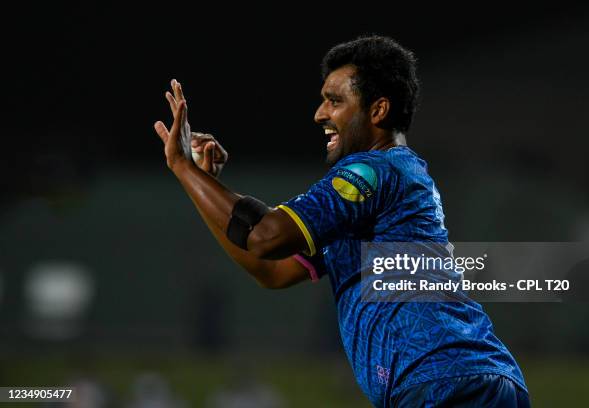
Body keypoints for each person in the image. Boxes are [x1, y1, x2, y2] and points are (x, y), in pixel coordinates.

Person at [153, 36, 530, 407]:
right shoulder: (384, 194)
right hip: (467, 378)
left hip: (441, 382)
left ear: (378, 110)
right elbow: (272, 270)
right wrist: (201, 183)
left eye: (334, 101)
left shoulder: (373, 170)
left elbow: (266, 235)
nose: (319, 113)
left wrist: (184, 167)